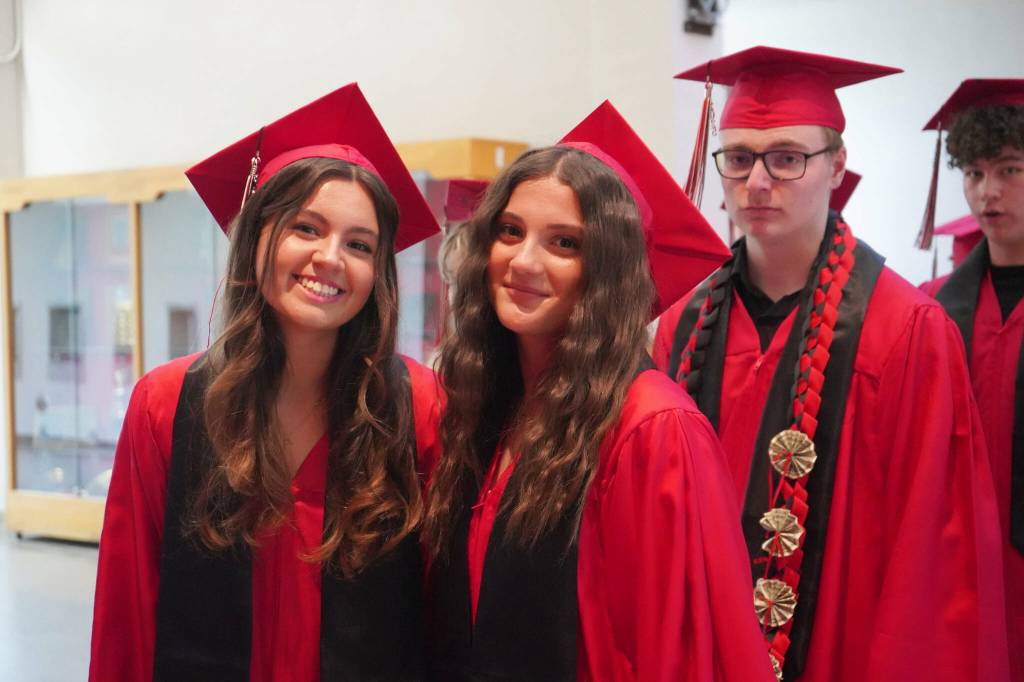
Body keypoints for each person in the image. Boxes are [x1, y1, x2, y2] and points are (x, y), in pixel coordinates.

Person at [656, 46, 1008, 681]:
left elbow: (933, 554)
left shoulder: (908, 331)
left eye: (788, 158)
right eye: (738, 158)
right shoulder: (682, 326)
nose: (757, 182)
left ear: (837, 164)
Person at [88, 83, 441, 682]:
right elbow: (129, 604)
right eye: (306, 228)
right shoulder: (167, 404)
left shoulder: (419, 406)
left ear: (377, 273)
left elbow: (440, 609)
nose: (330, 257)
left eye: (359, 245)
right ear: (256, 238)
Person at [424, 100, 774, 682]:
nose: (524, 261)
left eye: (565, 244)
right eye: (510, 232)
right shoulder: (489, 405)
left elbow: (674, 653)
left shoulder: (653, 429)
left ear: (608, 272)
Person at [918, 78, 1024, 682]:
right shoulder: (932, 309)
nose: (989, 192)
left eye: (1010, 170)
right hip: (961, 567)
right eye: (975, 173)